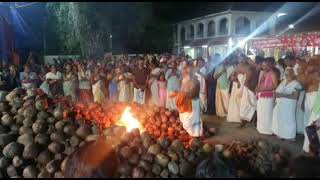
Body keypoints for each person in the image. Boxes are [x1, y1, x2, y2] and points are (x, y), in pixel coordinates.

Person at [272, 68, 301, 141]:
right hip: (280, 105)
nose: (287, 75)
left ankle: (290, 136)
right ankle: (281, 134)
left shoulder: (297, 84)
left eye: (289, 74)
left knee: (289, 120)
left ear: (293, 74)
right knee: (281, 120)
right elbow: (276, 92)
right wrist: (274, 100)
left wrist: (282, 95)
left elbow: (295, 96)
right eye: (286, 74)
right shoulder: (283, 82)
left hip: (289, 106)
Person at [178, 65, 203, 138]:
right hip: (184, 103)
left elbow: (192, 94)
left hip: (193, 103)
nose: (185, 73)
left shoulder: (196, 82)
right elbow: (181, 91)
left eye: (187, 72)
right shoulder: (183, 80)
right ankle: (188, 133)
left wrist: (183, 95)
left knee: (191, 120)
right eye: (184, 72)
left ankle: (195, 135)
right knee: (185, 119)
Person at [256, 58, 278, 135]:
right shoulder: (264, 73)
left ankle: (268, 130)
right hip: (261, 96)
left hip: (268, 97)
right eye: (263, 65)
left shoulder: (273, 74)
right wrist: (258, 89)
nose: (263, 67)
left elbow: (275, 86)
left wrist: (263, 89)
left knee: (267, 113)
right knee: (261, 113)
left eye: (265, 66)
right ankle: (261, 129)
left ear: (270, 66)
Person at [303, 61, 320, 153]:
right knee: (311, 130)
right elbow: (306, 85)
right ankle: (312, 151)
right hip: (316, 109)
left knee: (314, 131)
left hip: (318, 112)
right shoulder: (315, 79)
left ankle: (314, 152)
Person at [238, 58, 257, 128]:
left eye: (240, 66)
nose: (239, 68)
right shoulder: (248, 71)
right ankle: (249, 122)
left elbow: (246, 83)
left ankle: (251, 122)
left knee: (251, 105)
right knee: (249, 106)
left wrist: (251, 90)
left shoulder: (249, 71)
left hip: (249, 90)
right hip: (248, 90)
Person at [296, 65, 307, 134]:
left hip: (302, 94)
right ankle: (297, 128)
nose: (297, 70)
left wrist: (299, 87)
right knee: (297, 111)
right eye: (297, 68)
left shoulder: (305, 77)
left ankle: (301, 129)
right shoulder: (296, 76)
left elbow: (305, 87)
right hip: (297, 95)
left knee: (301, 111)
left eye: (299, 69)